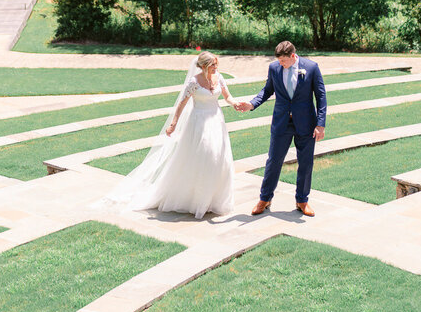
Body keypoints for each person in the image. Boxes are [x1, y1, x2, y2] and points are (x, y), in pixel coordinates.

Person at [99, 51, 239, 219]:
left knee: (218, 157)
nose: (216, 67)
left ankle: (213, 199)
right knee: (204, 155)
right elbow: (182, 103)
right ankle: (195, 199)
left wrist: (235, 103)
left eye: (216, 64)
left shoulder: (219, 77)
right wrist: (173, 123)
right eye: (212, 65)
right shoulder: (194, 82)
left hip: (216, 120)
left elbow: (227, 96)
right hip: (198, 123)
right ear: (203, 66)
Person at [236, 40, 327, 217]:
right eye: (279, 61)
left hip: (306, 124)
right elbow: (267, 90)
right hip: (281, 123)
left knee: (306, 163)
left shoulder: (312, 67)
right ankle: (265, 198)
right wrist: (251, 104)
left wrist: (320, 124)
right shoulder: (274, 68)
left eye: (284, 61)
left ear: (293, 56)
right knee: (273, 161)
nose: (280, 64)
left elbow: (321, 96)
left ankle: (302, 200)